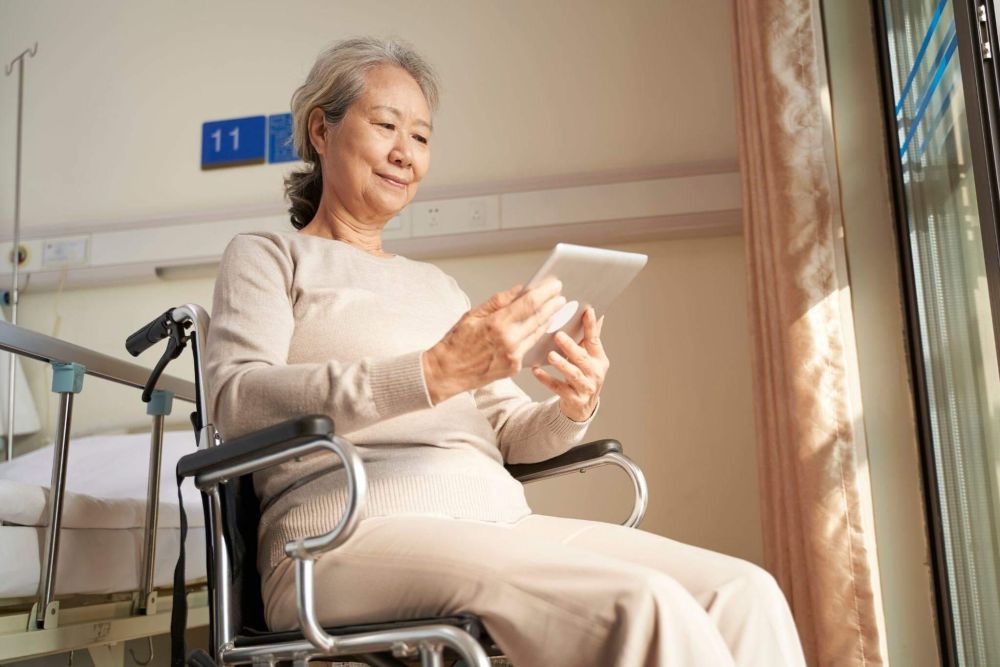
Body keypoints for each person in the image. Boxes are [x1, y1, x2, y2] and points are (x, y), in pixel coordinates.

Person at [204, 36, 807, 667]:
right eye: (386, 126)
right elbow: (237, 402)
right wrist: (429, 374)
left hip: (498, 520)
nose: (405, 153)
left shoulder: (438, 287)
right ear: (321, 132)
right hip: (343, 534)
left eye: (422, 137)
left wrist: (571, 407)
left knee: (742, 591)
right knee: (643, 603)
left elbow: (509, 434)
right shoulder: (269, 256)